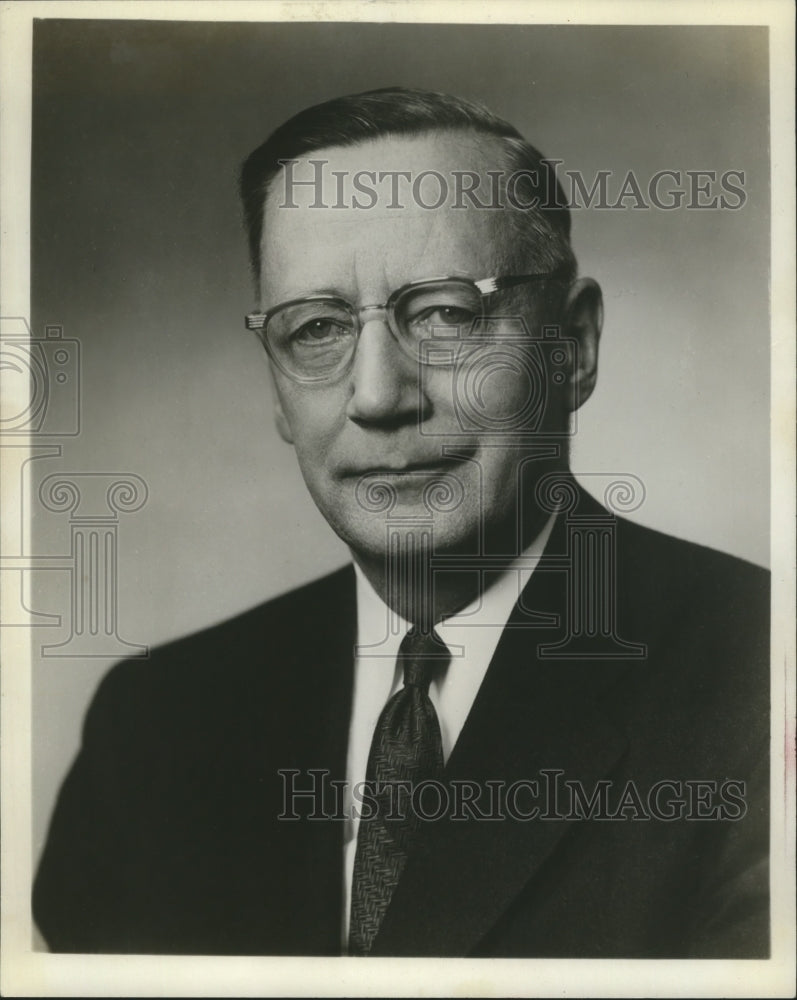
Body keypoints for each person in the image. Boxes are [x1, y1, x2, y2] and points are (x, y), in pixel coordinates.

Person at [33, 88, 769, 958]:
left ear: (572, 347)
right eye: (315, 329)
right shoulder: (155, 727)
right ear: (276, 388)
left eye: (447, 314)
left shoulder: (760, 679)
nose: (379, 395)